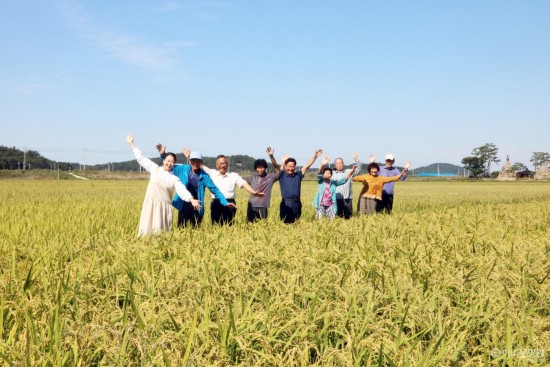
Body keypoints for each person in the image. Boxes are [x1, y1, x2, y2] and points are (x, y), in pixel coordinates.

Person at [126, 135, 201, 236]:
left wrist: (192, 200)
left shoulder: (174, 178)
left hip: (163, 209)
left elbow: (182, 190)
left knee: (161, 236)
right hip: (151, 205)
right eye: (168, 161)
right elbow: (141, 159)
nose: (169, 163)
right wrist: (132, 143)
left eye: (172, 162)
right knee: (146, 233)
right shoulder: (155, 169)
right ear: (163, 161)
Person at [156, 144, 235, 227]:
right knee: (181, 228)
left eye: (198, 161)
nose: (195, 163)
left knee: (195, 229)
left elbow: (215, 190)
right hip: (183, 205)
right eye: (193, 160)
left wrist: (225, 202)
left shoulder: (205, 176)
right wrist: (162, 155)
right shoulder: (183, 169)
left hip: (197, 206)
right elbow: (168, 166)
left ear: (201, 162)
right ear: (190, 161)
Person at [199, 153, 266, 225]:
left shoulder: (234, 175)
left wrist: (254, 192)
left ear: (227, 164)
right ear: (216, 165)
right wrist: (189, 156)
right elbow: (199, 165)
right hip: (216, 202)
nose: (222, 166)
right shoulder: (212, 173)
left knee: (229, 225)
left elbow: (243, 183)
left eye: (223, 163)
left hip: (230, 203)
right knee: (215, 224)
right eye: (219, 163)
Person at [277, 149, 323, 223]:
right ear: (285, 167)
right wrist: (282, 163)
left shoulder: (298, 175)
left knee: (296, 222)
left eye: (293, 166)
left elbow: (307, 166)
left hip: (297, 203)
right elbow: (277, 168)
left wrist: (315, 156)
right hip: (286, 203)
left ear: (295, 167)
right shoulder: (282, 175)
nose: (291, 168)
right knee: (285, 223)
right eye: (289, 166)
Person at [244, 147, 281, 222]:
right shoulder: (252, 178)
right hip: (251, 205)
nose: (259, 169)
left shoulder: (270, 177)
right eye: (258, 168)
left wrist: (271, 156)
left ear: (265, 168)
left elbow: (278, 170)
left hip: (263, 206)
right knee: (249, 226)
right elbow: (240, 180)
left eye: (261, 167)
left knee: (263, 225)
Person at [313, 155, 356, 219]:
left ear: (331, 175)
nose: (327, 174)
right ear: (323, 174)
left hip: (330, 206)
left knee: (331, 221)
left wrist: (352, 171)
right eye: (326, 173)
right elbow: (319, 173)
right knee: (319, 220)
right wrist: (322, 164)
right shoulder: (321, 182)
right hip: (321, 205)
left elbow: (344, 180)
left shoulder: (333, 183)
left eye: (329, 173)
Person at [331, 153, 362, 219]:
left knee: (348, 216)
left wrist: (356, 160)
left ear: (343, 164)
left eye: (341, 163)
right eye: (337, 163)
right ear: (335, 165)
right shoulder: (332, 173)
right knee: (338, 216)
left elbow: (358, 170)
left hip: (347, 198)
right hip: (336, 198)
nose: (339, 165)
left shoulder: (349, 171)